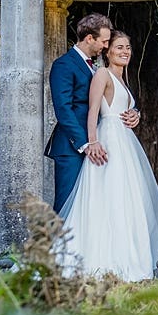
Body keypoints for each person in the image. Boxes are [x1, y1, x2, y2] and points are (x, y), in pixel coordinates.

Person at [58, 29, 158, 279]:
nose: (125, 51)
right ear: (107, 51)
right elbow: (93, 110)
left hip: (125, 142)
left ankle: (131, 256)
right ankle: (103, 258)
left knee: (128, 198)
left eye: (128, 47)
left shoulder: (123, 79)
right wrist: (92, 142)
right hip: (107, 141)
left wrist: (135, 114)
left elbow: (123, 107)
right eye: (119, 47)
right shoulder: (102, 74)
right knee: (107, 196)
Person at [45, 13, 112, 214]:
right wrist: (85, 144)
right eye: (104, 41)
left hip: (98, 144)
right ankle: (59, 246)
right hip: (72, 147)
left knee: (91, 206)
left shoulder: (96, 66)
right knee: (68, 205)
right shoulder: (63, 65)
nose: (106, 46)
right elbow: (63, 109)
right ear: (89, 38)